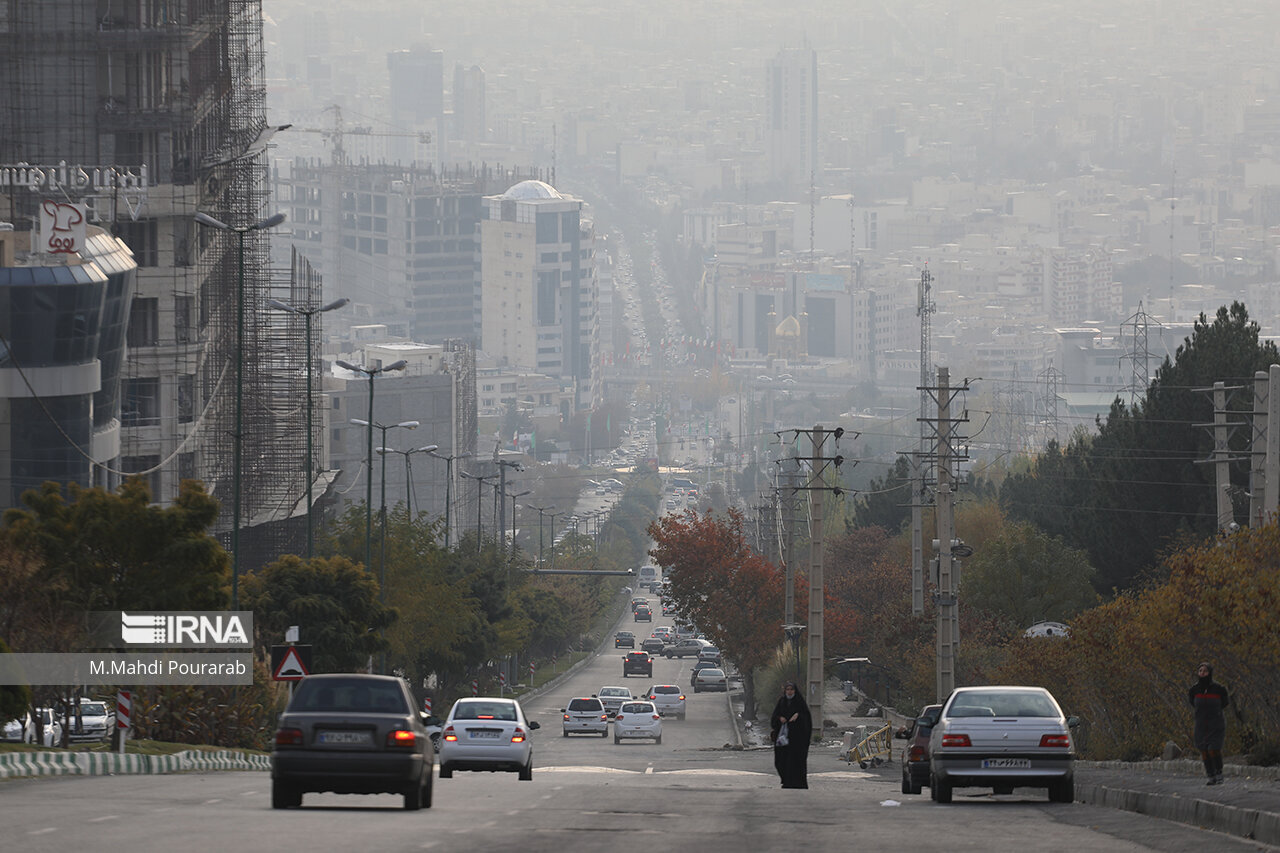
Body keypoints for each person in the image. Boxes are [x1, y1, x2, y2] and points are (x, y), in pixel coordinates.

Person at [1188, 662, 1230, 785]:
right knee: (1204, 750)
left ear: (1210, 673)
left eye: (1205, 671)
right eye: (1200, 671)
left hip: (1216, 723)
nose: (1202, 673)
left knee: (1214, 749)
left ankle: (1219, 773)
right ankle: (1210, 775)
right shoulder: (1194, 690)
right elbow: (1193, 702)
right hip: (1201, 724)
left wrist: (1215, 712)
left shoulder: (1219, 689)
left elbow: (1224, 703)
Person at [770, 681, 813, 789]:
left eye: (791, 690)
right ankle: (786, 781)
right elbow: (774, 718)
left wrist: (798, 716)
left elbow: (807, 719)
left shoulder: (799, 703)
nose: (789, 692)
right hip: (783, 739)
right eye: (787, 690)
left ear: (795, 691)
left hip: (797, 740)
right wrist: (780, 718)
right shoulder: (782, 702)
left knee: (796, 761)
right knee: (781, 761)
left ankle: (798, 783)